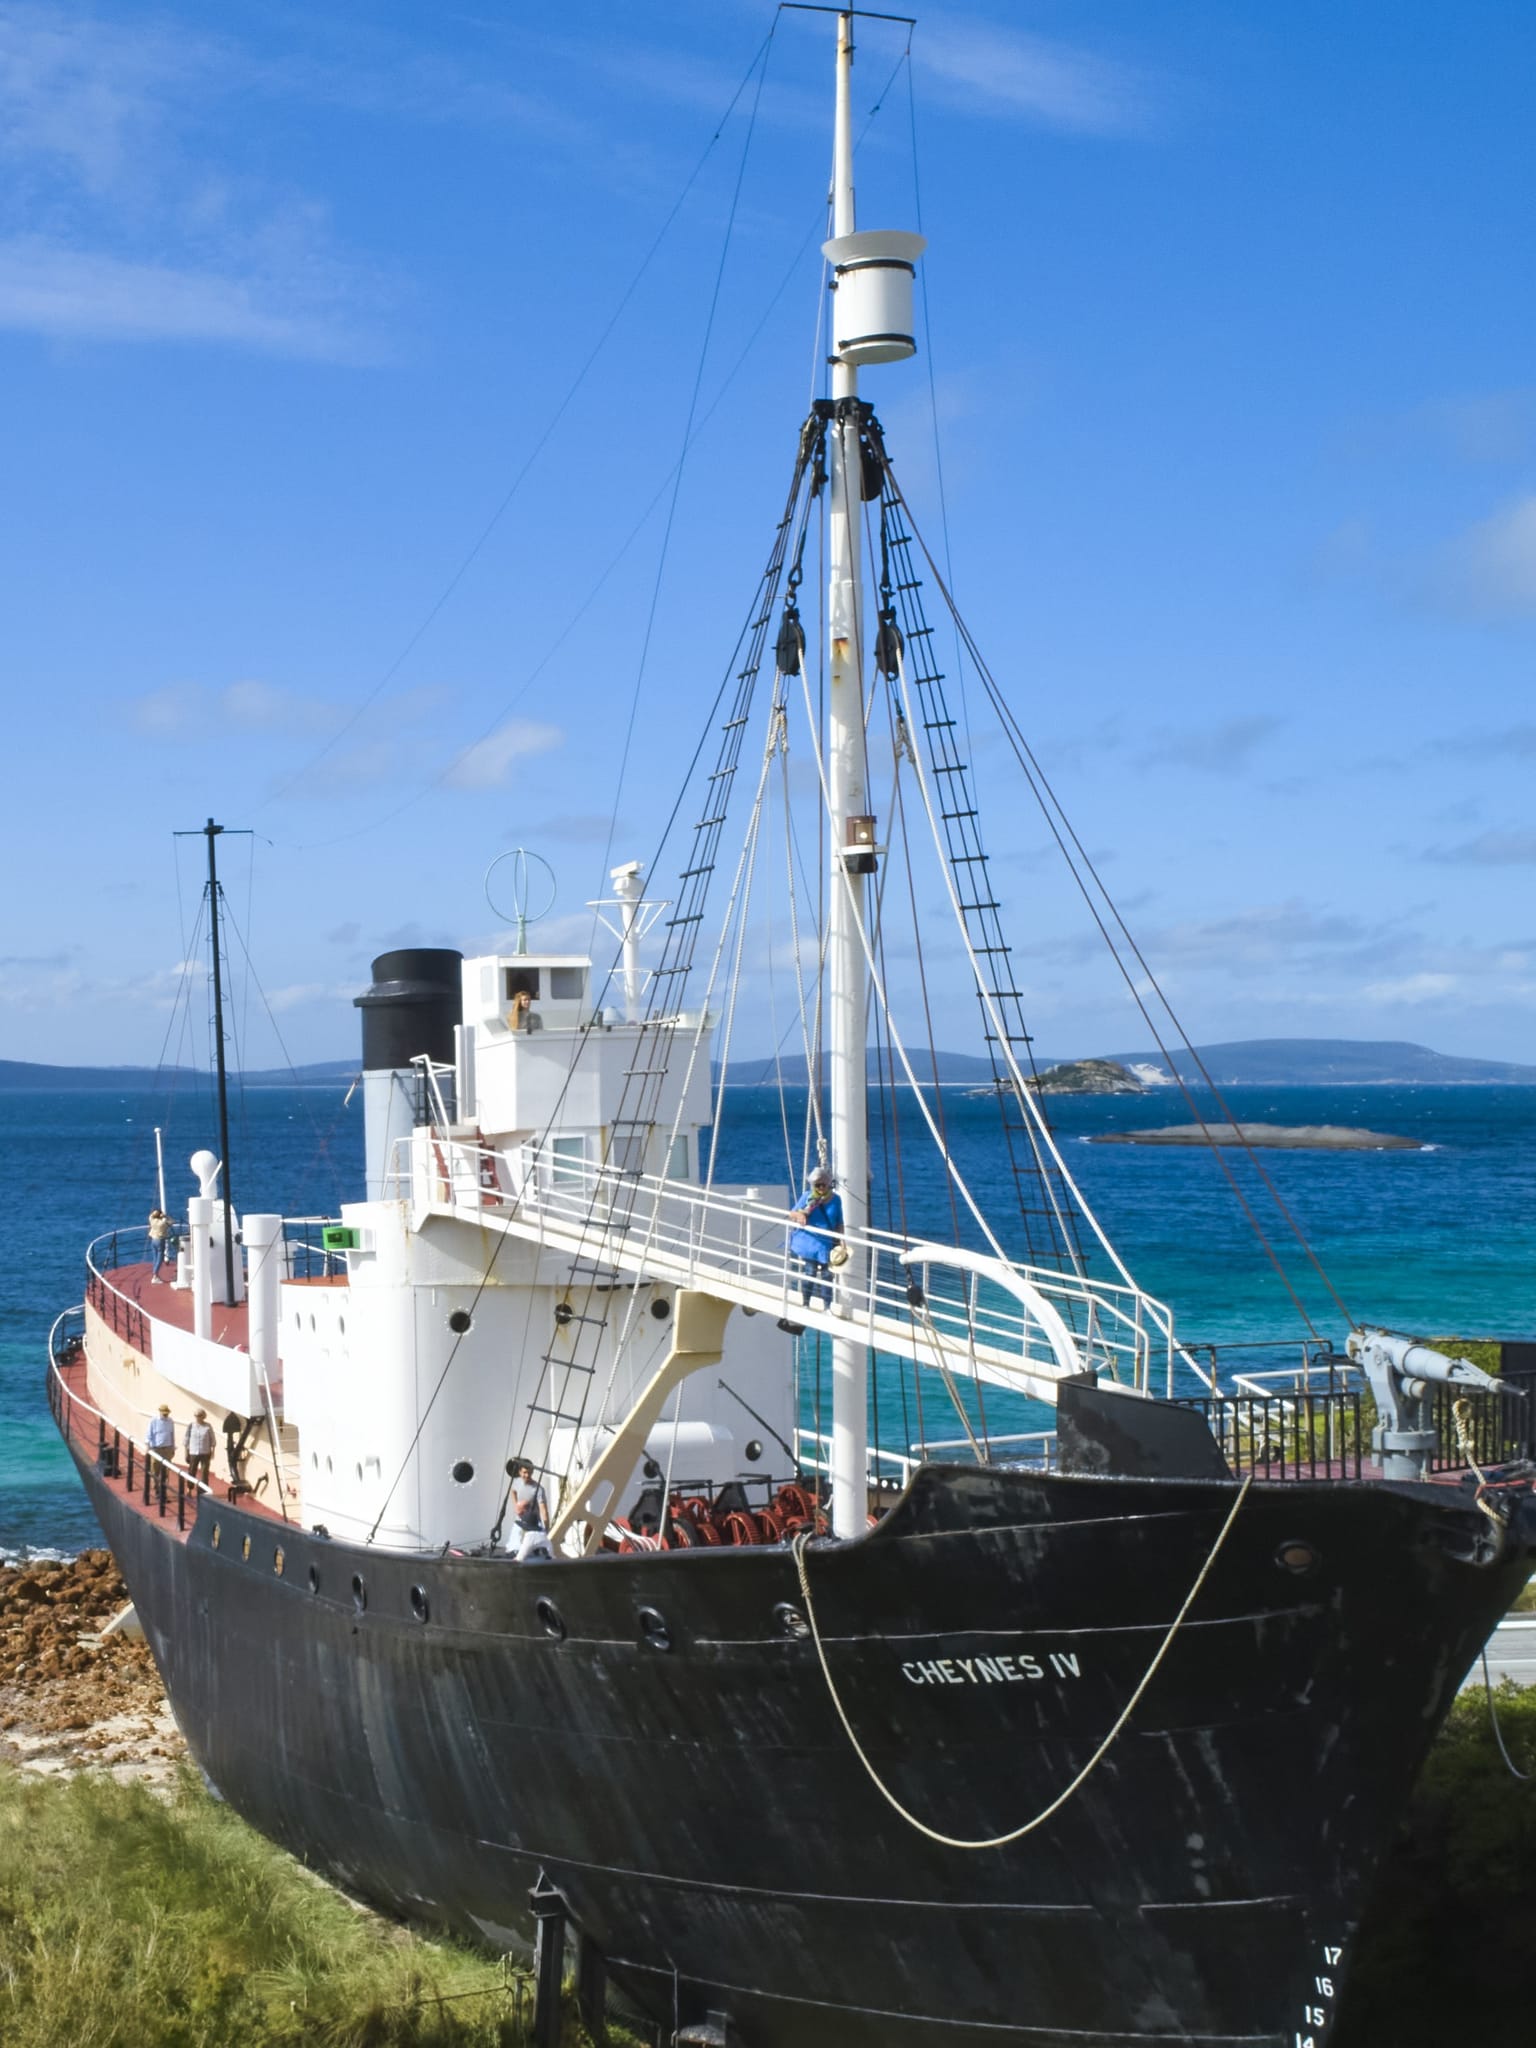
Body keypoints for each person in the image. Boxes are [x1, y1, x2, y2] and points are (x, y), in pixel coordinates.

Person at [787, 1168, 844, 1311]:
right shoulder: (807, 1197)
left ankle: (827, 1307)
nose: (819, 1188)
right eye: (816, 1185)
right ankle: (806, 1303)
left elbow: (839, 1222)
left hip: (826, 1243)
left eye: (822, 1184)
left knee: (827, 1275)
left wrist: (841, 1240)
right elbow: (792, 1213)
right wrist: (800, 1215)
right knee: (810, 1272)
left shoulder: (836, 1200)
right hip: (810, 1242)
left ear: (828, 1183)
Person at [509, 1459, 550, 1562]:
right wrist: (515, 1505)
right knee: (516, 1548)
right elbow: (513, 1491)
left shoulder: (538, 1489)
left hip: (534, 1522)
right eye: (524, 1472)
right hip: (520, 1520)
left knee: (541, 1549)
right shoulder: (517, 1482)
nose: (527, 1475)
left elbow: (543, 1510)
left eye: (530, 1472)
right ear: (519, 1472)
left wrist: (547, 1529)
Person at [147, 1403, 176, 1502]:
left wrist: (172, 1448)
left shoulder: (170, 1421)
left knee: (166, 1472)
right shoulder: (154, 1421)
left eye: (166, 1414)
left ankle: (164, 1493)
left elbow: (172, 1435)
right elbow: (149, 1435)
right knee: (155, 1471)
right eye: (164, 1414)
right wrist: (149, 1447)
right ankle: (157, 1491)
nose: (165, 1415)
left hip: (167, 1449)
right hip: (157, 1449)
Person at [185, 1408, 215, 1483]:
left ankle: (204, 1491)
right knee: (192, 1471)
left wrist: (213, 1452)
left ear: (203, 1416)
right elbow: (186, 1440)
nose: (198, 1417)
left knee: (205, 1472)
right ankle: (190, 1488)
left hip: (205, 1452)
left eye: (199, 1416)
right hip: (193, 1452)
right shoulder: (191, 1426)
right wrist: (186, 1453)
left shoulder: (208, 1426)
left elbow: (212, 1439)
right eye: (196, 1416)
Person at [148, 1207, 171, 1279]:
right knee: (160, 1259)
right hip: (160, 1240)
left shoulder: (152, 1220)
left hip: (153, 1240)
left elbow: (151, 1216)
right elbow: (171, 1221)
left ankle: (155, 1273)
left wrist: (157, 1214)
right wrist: (165, 1216)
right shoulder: (162, 1223)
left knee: (155, 1258)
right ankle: (155, 1275)